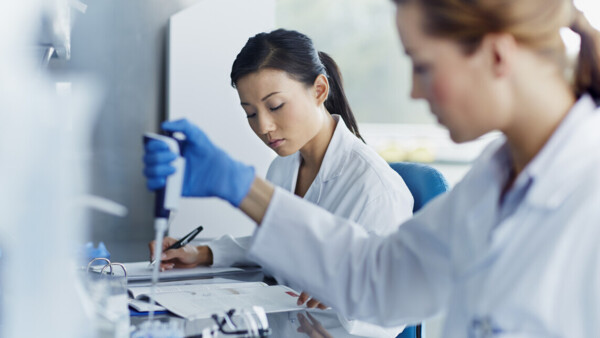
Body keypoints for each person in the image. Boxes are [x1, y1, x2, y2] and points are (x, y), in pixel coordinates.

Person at [143, 0, 600, 335]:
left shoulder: (588, 193)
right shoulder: (494, 179)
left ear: (497, 56)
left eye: (422, 66)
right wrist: (239, 185)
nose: (415, 93)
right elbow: (379, 277)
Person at [145, 29, 412, 337]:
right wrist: (203, 253)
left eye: (275, 106)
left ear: (319, 90)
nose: (264, 127)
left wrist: (343, 291)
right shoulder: (283, 166)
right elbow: (283, 240)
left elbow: (388, 316)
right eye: (250, 113)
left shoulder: (375, 188)